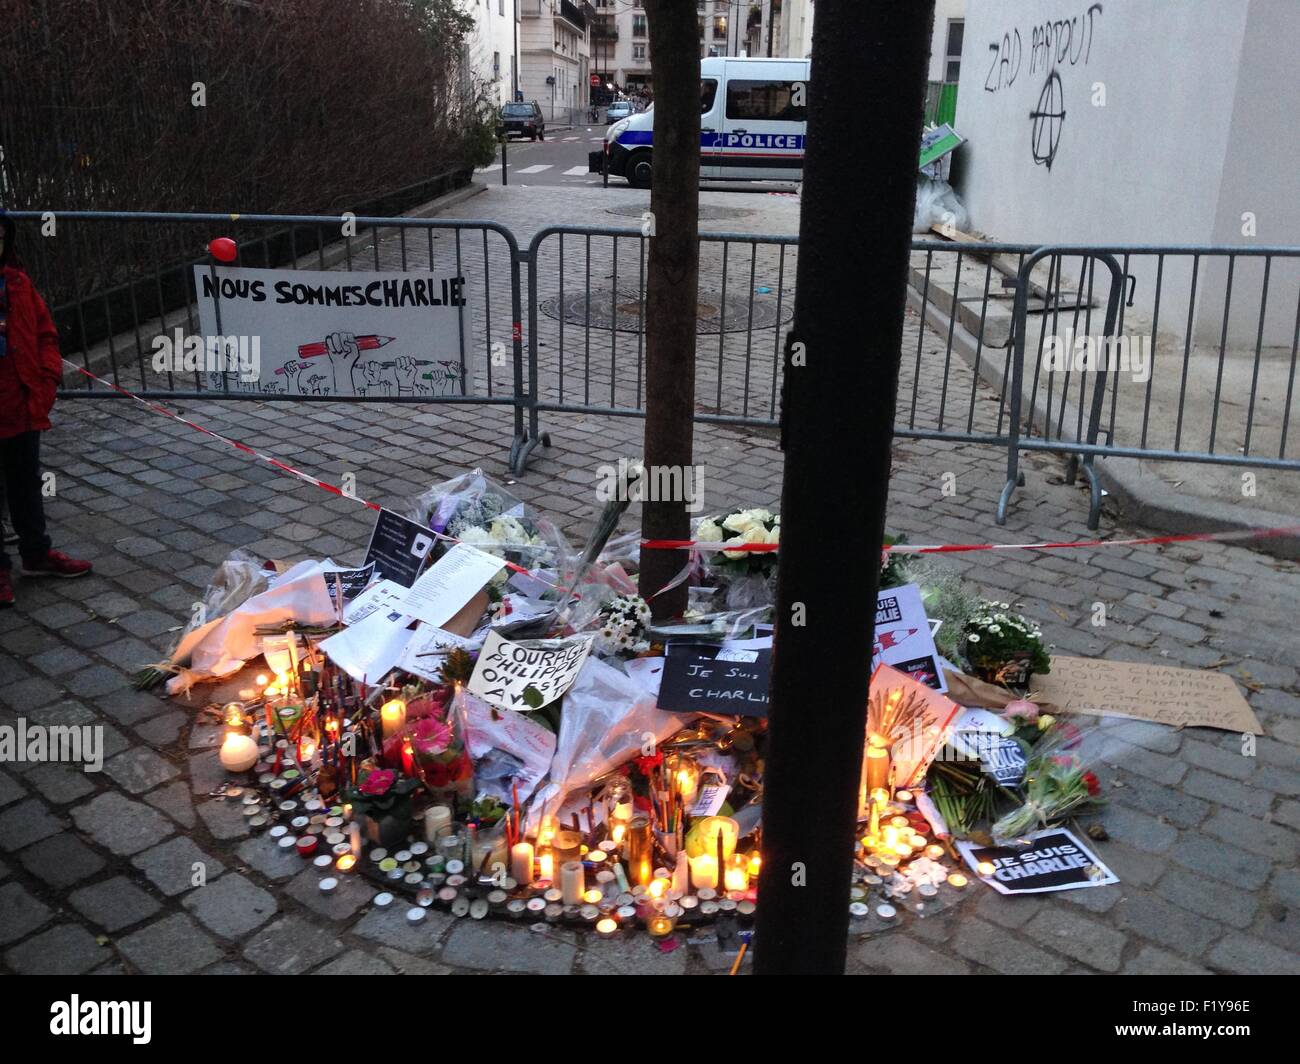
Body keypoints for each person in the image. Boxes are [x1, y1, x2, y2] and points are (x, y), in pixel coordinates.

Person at [0, 213, 92, 608]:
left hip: (21, 404)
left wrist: (48, 377)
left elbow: (45, 333)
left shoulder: (19, 285)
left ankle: (36, 553)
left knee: (26, 484)